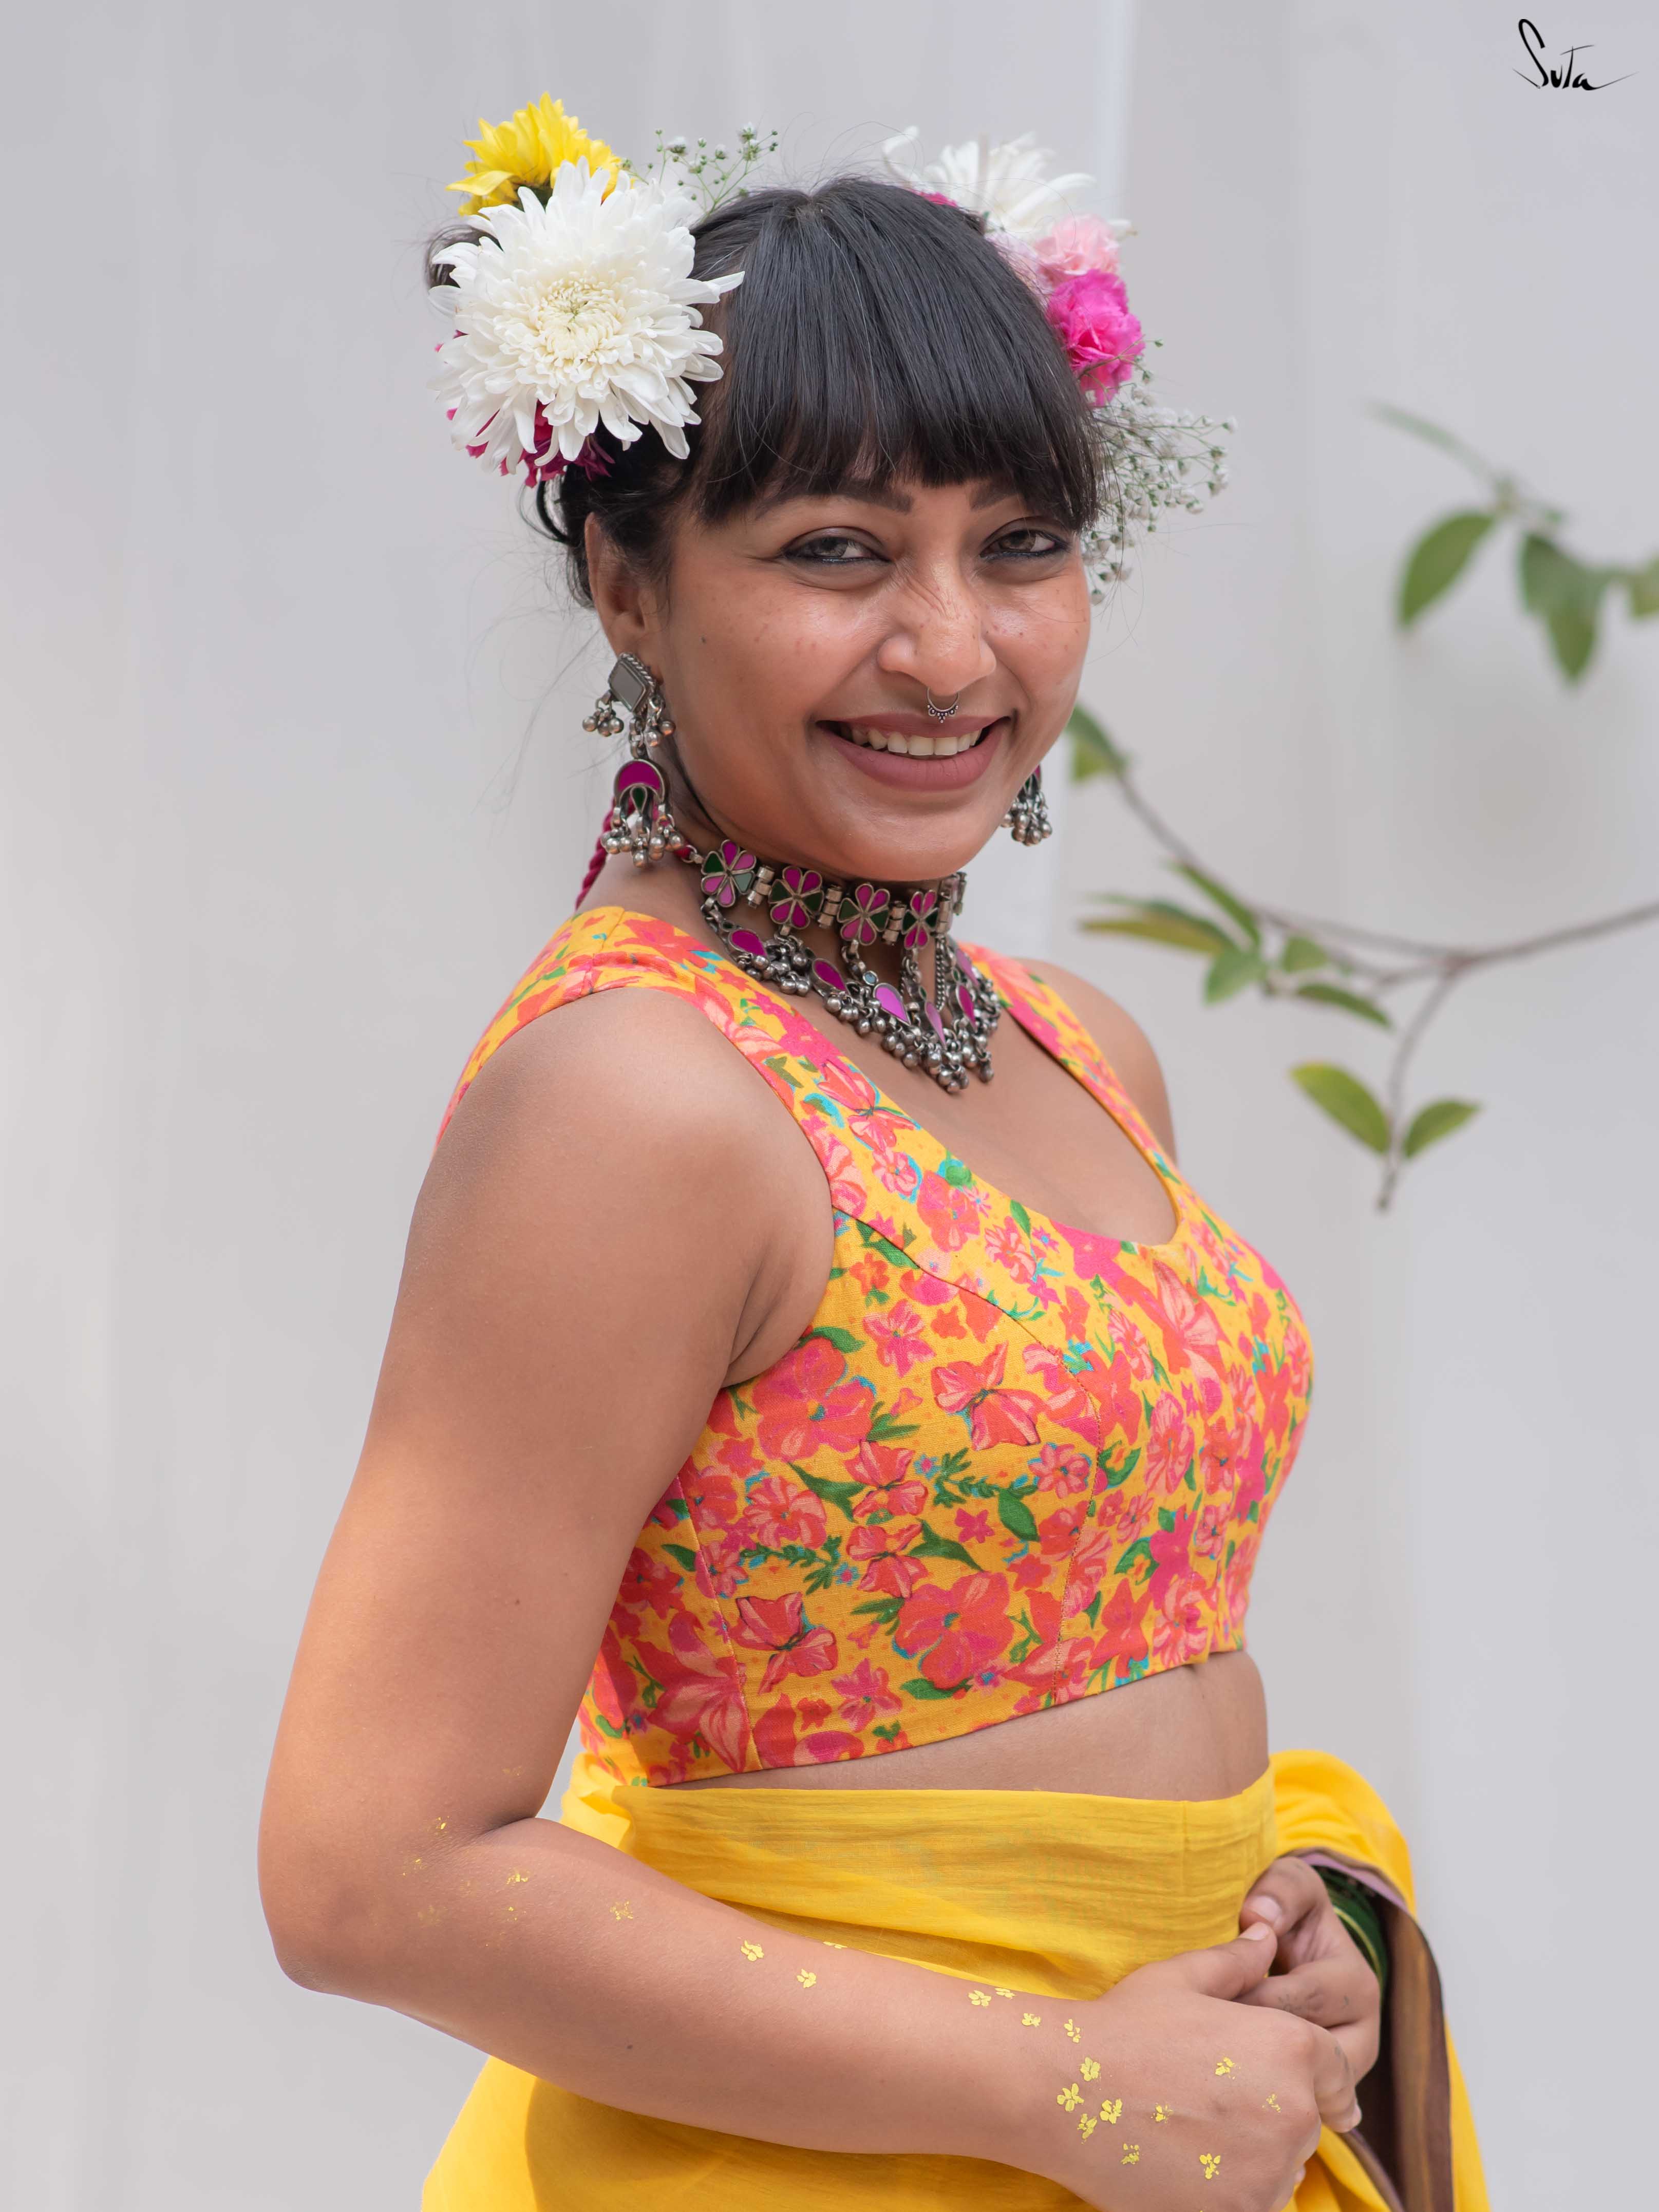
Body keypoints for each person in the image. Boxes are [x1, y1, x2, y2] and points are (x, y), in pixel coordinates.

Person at [259, 99, 1487, 2211]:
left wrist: (1286, 1909)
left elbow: (1111, 1667)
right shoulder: (636, 1100)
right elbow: (369, 1869)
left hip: (1183, 2119)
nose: (949, 648)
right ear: (629, 585)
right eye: (837, 551)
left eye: (1019, 545)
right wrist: (1059, 2080)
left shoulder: (1075, 1043)